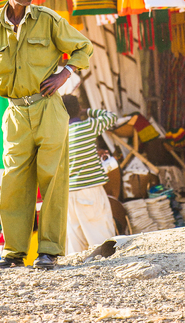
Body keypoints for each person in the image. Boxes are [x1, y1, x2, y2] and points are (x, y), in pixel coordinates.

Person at [0, 0, 93, 269]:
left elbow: (84, 48)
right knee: (14, 182)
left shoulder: (48, 19)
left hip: (48, 109)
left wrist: (64, 74)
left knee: (52, 179)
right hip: (15, 113)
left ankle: (49, 252)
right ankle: (14, 254)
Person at [62, 94, 117, 254]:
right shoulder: (88, 126)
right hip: (90, 190)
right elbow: (111, 117)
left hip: (69, 193)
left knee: (76, 241)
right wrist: (88, 111)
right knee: (101, 237)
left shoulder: (60, 134)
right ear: (78, 109)